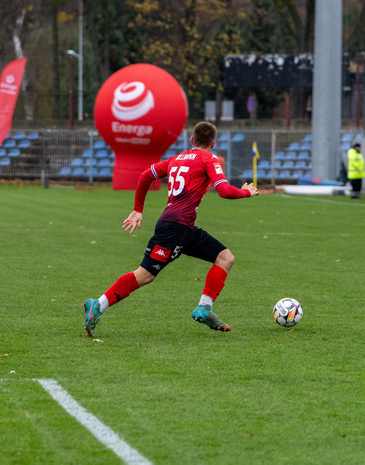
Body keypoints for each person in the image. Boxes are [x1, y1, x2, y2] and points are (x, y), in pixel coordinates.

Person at [82, 121, 260, 337]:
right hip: (175, 229)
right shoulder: (209, 158)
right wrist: (247, 192)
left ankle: (204, 308)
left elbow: (145, 176)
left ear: (192, 141)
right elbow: (223, 190)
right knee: (145, 275)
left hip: (184, 227)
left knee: (226, 258)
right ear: (213, 144)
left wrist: (138, 209)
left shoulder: (175, 159)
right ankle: (97, 304)